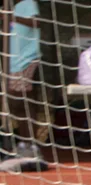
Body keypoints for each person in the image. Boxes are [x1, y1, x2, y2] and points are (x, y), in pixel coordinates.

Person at [5, 0, 48, 159]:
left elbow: (36, 22)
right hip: (14, 63)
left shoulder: (27, 3)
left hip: (25, 60)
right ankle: (25, 142)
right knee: (17, 102)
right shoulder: (12, 9)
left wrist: (12, 17)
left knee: (20, 100)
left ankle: (29, 143)